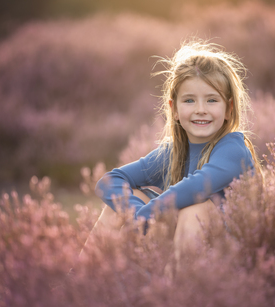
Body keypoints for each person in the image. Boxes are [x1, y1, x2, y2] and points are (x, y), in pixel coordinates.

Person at [89, 40, 261, 260]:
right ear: (175, 109)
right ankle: (80, 280)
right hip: (179, 244)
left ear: (229, 109)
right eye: (189, 100)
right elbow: (110, 181)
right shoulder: (173, 152)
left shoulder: (233, 149)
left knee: (194, 210)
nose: (200, 110)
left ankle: (176, 290)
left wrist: (143, 217)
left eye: (211, 100)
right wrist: (135, 214)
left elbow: (198, 186)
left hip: (229, 259)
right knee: (121, 204)